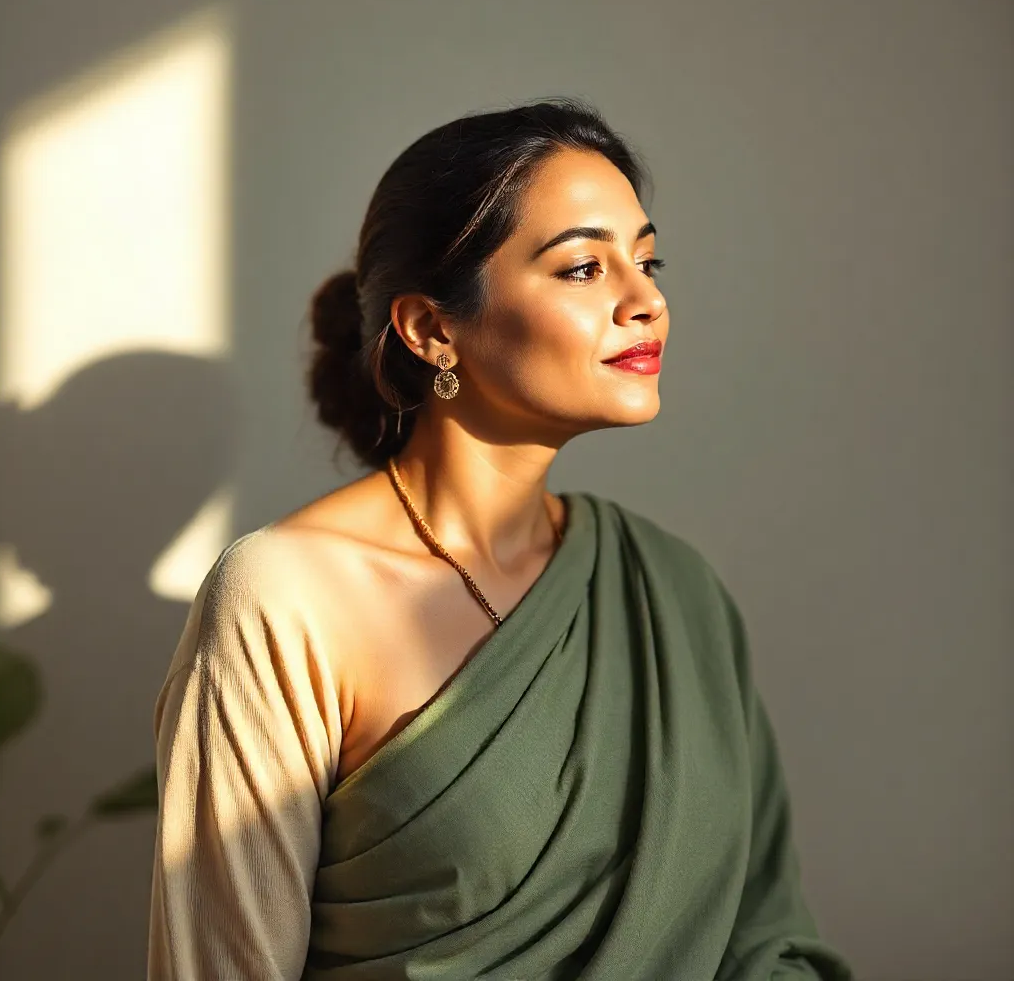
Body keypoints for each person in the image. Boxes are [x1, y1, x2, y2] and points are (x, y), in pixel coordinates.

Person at [146, 98, 853, 980]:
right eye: (585, 268)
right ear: (433, 328)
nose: (648, 301)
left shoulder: (673, 591)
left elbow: (765, 935)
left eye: (648, 260)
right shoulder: (285, 598)